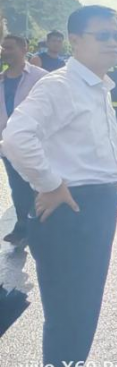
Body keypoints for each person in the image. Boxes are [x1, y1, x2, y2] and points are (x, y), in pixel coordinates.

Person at [3, 5, 117, 367]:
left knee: (83, 310)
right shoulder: (60, 85)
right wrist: (50, 183)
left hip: (96, 207)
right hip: (73, 209)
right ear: (75, 41)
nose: (114, 42)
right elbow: (16, 137)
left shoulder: (97, 86)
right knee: (67, 314)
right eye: (104, 35)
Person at [0, 34, 48, 249]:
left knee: (38, 186)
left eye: (9, 47)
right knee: (17, 187)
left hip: (36, 144)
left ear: (24, 48)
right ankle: (23, 228)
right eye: (3, 48)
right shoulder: (1, 79)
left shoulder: (41, 77)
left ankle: (38, 229)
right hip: (8, 145)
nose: (4, 51)